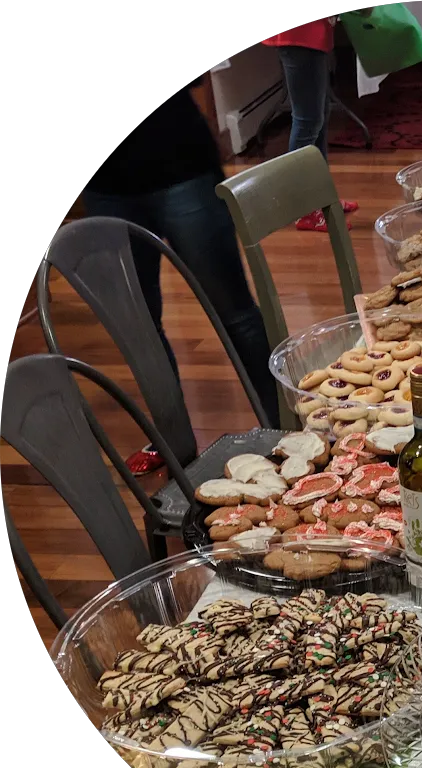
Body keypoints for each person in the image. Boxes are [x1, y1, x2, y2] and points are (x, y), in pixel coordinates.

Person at [82, 74, 281, 473]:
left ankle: (283, 426)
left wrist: (211, 126)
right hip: (105, 185)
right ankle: (172, 443)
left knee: (234, 312)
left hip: (181, 164)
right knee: (140, 328)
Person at [264, 17, 359, 231]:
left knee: (318, 116)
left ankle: (322, 198)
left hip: (308, 34)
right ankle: (304, 210)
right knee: (307, 121)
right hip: (300, 36)